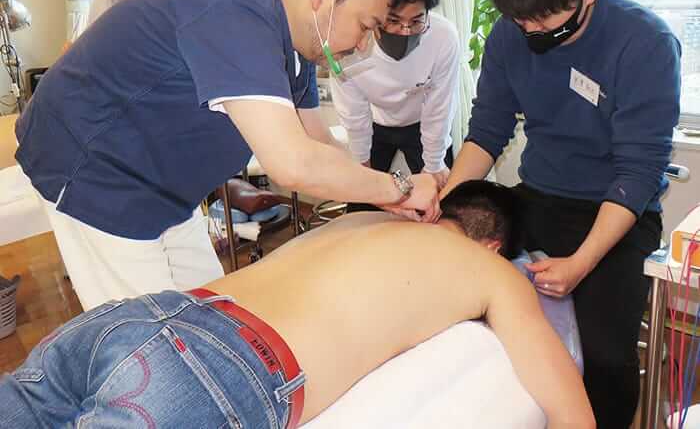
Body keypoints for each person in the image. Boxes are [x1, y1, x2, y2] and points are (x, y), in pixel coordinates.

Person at [14, 0, 440, 311]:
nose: (365, 44)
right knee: (145, 338)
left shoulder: (298, 39)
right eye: (365, 25)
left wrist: (388, 196)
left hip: (164, 183)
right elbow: (293, 164)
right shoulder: (238, 15)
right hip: (94, 172)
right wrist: (399, 188)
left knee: (211, 313)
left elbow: (317, 142)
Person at [0, 181, 594, 429]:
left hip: (138, 317)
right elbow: (574, 415)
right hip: (219, 368)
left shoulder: (364, 220)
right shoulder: (491, 270)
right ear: (494, 244)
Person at [441, 0, 681, 428]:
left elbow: (637, 173)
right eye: (520, 18)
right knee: (460, 299)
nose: (529, 28)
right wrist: (446, 207)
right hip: (539, 196)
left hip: (616, 213)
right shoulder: (510, 34)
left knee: (605, 356)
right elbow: (487, 132)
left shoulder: (646, 44)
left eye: (544, 18)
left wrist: (581, 263)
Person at [331, 0, 459, 200]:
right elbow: (354, 114)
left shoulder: (443, 37)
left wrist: (434, 164)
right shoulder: (352, 41)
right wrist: (361, 165)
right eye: (393, 21)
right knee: (362, 200)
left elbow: (439, 107)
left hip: (422, 124)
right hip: (374, 124)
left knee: (442, 200)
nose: (405, 31)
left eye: (416, 21)